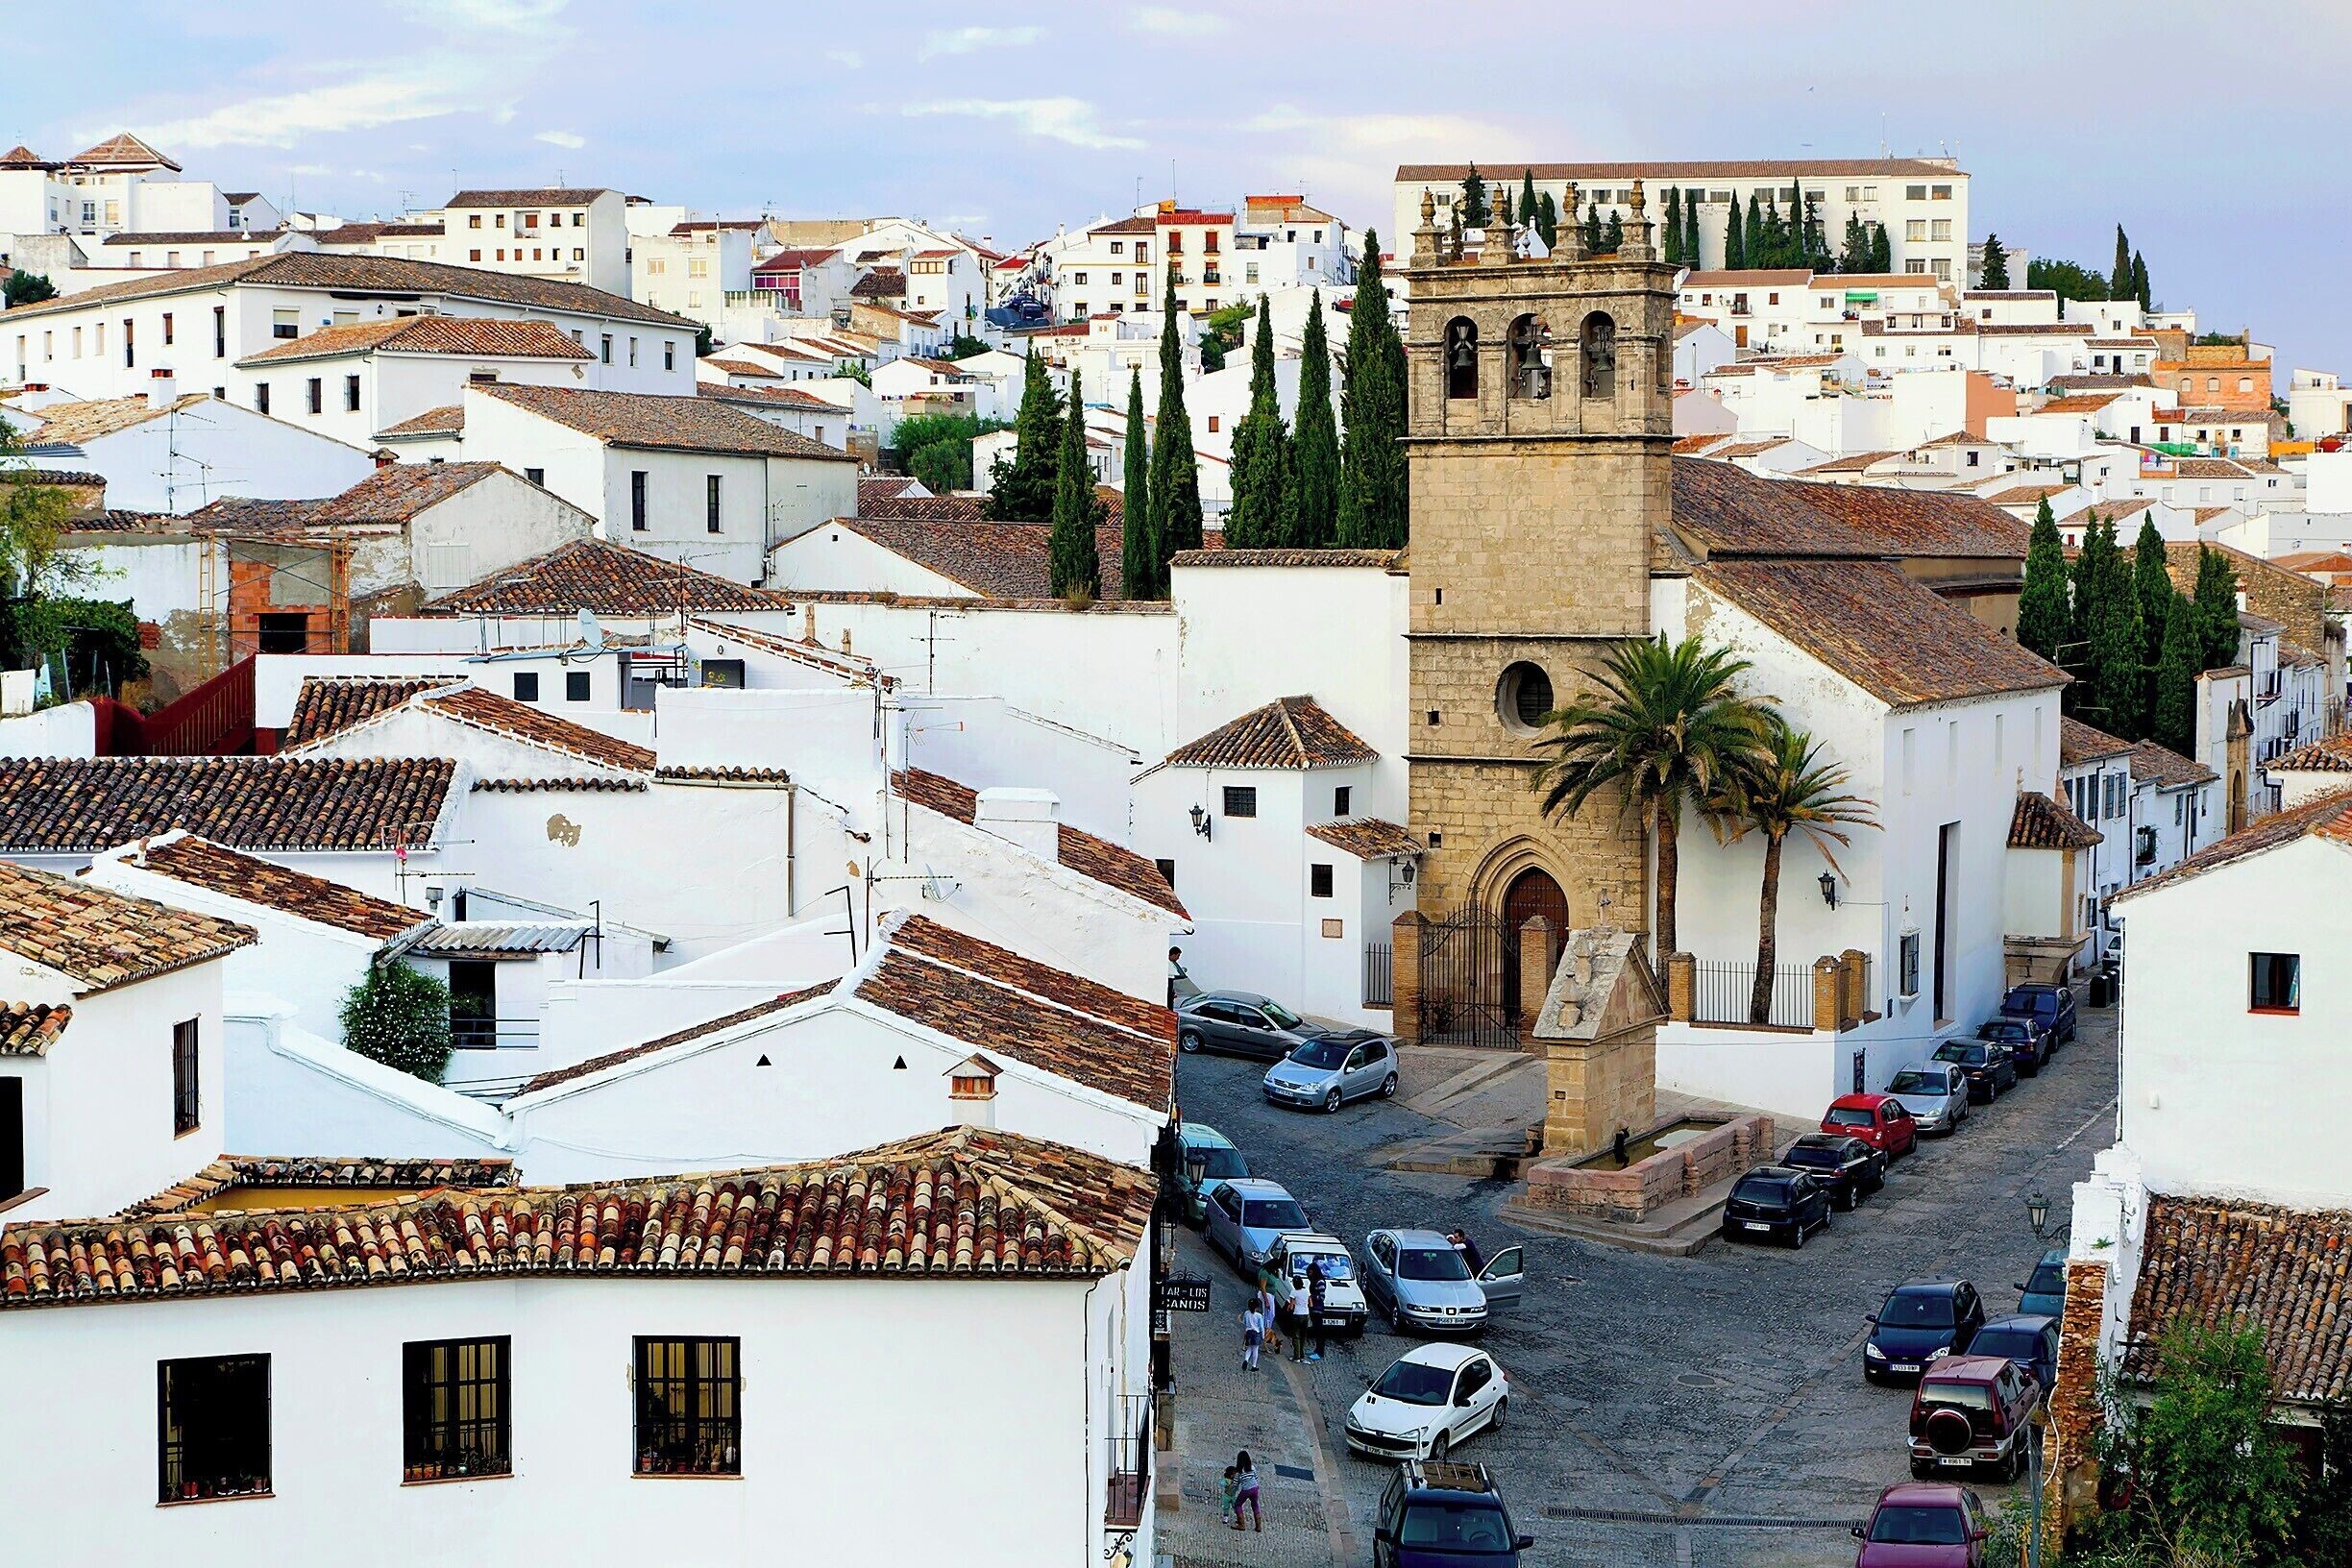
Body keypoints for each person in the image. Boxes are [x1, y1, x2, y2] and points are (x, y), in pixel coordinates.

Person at [1306, 1257, 1329, 1361]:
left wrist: (1312, 1297)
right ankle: (1316, 1350)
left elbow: (1322, 1297)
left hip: (1318, 1310)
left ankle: (1320, 1352)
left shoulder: (1320, 1282)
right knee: (1316, 1331)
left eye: (1310, 1272)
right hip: (1313, 1309)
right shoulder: (1314, 1281)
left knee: (1320, 1332)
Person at [1288, 1266, 1313, 1361]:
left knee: (1296, 1337)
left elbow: (1291, 1306)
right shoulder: (1306, 1291)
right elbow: (1311, 1304)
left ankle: (1296, 1356)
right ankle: (1302, 1355)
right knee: (1303, 1336)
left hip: (1297, 1315)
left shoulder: (1293, 1292)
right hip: (1305, 1315)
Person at [1233, 1450, 1262, 1532]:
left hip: (1246, 1490)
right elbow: (1256, 1478)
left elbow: (1235, 1484)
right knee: (1255, 1505)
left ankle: (1241, 1524)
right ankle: (1258, 1526)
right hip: (1255, 1488)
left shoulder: (1239, 1472)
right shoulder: (1252, 1468)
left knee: (1238, 1505)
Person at [1240, 1299, 1264, 1371]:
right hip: (1256, 1334)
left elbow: (1244, 1322)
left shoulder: (1246, 1313)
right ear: (1257, 1307)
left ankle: (1246, 1360)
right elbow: (1261, 1327)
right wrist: (1262, 1336)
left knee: (1249, 1348)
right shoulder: (1259, 1316)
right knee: (1255, 1349)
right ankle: (1254, 1366)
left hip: (1248, 1333)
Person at [1219, 1465, 1239, 1529]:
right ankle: (1225, 1517)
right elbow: (1221, 1483)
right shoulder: (1226, 1480)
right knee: (1226, 1507)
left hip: (1233, 1496)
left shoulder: (1236, 1480)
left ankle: (1238, 1517)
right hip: (1226, 1495)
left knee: (1235, 1507)